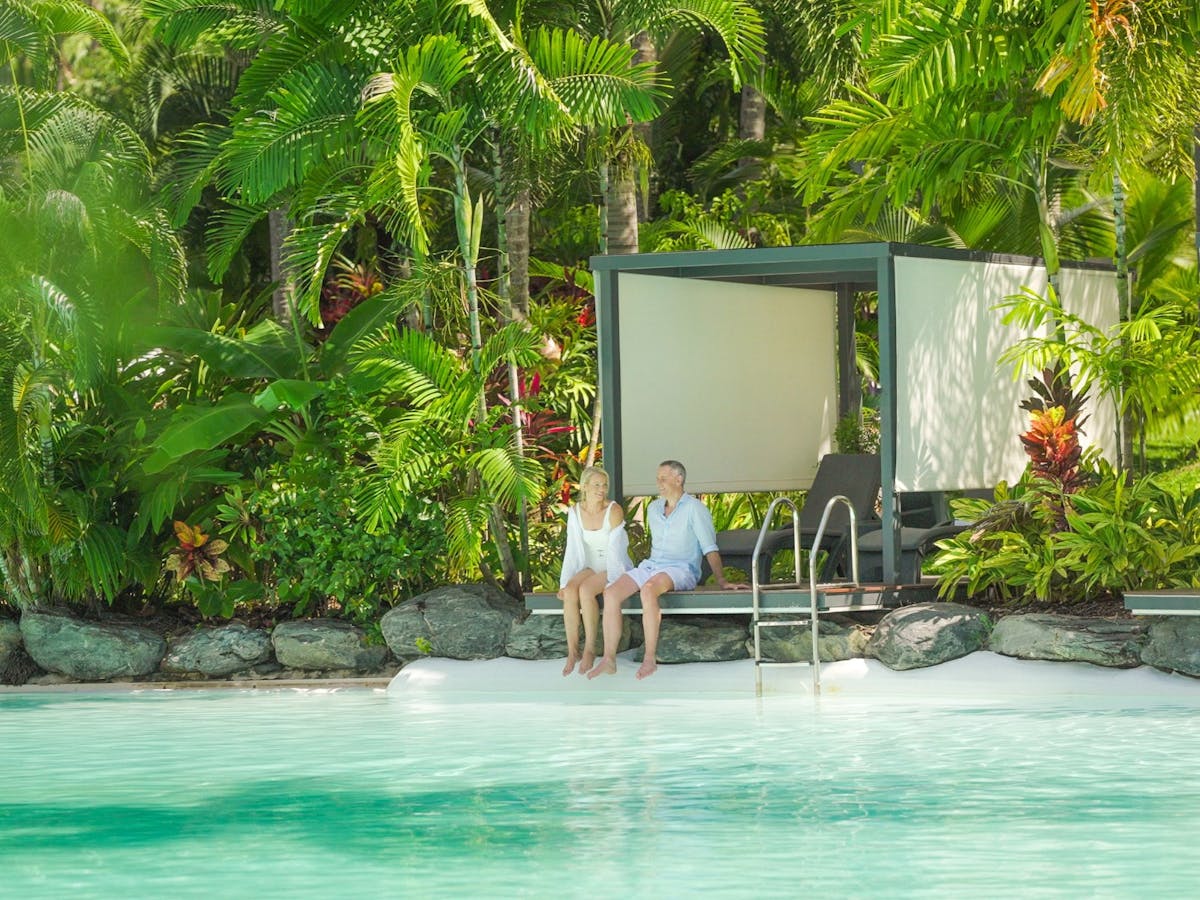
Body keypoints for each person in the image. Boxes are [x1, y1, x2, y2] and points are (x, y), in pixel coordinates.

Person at [587, 460, 746, 681]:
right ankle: (609, 659)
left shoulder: (695, 509)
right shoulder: (653, 509)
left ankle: (649, 658)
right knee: (611, 592)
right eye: (657, 479)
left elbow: (709, 547)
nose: (658, 483)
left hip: (682, 569)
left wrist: (721, 580)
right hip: (652, 565)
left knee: (649, 589)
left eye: (663, 478)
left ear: (678, 479)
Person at [557, 466, 633, 676]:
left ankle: (590, 648)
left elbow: (616, 551)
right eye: (597, 485)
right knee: (571, 590)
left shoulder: (613, 510)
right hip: (589, 565)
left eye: (604, 485)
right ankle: (573, 651)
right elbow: (572, 549)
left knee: (586, 590)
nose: (602, 489)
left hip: (612, 565)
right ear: (585, 486)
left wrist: (615, 580)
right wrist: (564, 583)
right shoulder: (575, 512)